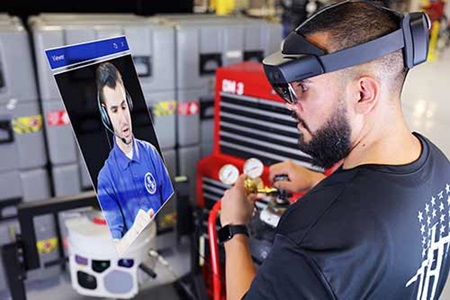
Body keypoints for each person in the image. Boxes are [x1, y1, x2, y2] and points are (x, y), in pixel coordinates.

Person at [219, 1, 450, 299]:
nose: (291, 104)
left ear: (363, 93)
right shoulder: (439, 167)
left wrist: (233, 229)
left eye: (304, 87)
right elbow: (385, 218)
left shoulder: (314, 239)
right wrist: (318, 183)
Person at [95, 61, 174, 245]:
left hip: (158, 241)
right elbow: (115, 241)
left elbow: (169, 199)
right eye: (114, 110)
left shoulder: (151, 153)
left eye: (123, 106)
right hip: (134, 252)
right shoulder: (106, 177)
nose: (123, 119)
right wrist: (133, 232)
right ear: (106, 115)